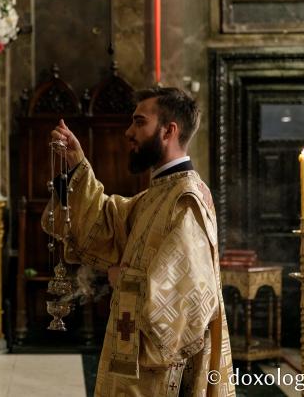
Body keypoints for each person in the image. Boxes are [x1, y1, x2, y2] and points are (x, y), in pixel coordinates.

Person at [43, 87, 235, 396]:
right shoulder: (159, 193)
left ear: (168, 131)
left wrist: (125, 278)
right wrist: (78, 165)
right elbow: (107, 221)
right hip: (135, 363)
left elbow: (188, 300)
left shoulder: (185, 200)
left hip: (159, 375)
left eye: (139, 122)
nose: (129, 132)